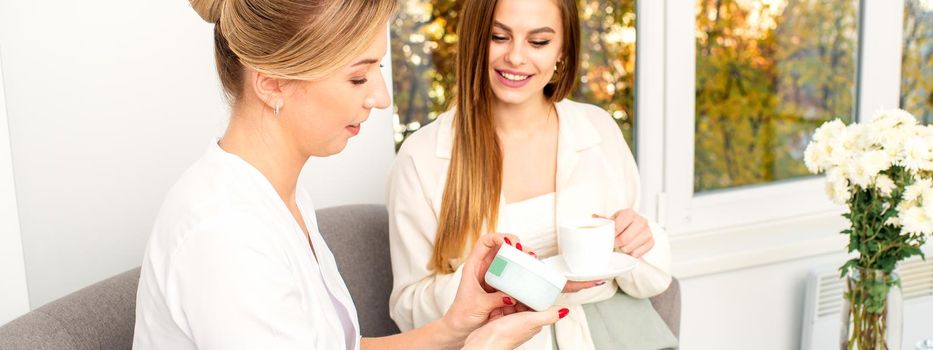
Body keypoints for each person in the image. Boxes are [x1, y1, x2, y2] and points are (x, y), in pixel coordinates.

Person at [132, 0, 567, 349]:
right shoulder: (226, 236)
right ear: (272, 83)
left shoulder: (277, 196)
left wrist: (454, 327)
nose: (380, 97)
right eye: (359, 77)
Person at [387, 0, 678, 348]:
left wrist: (640, 241)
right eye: (499, 36)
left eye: (538, 42)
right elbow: (409, 309)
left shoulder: (599, 130)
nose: (516, 57)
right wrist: (513, 279)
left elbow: (650, 281)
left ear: (562, 51)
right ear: (476, 39)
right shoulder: (422, 158)